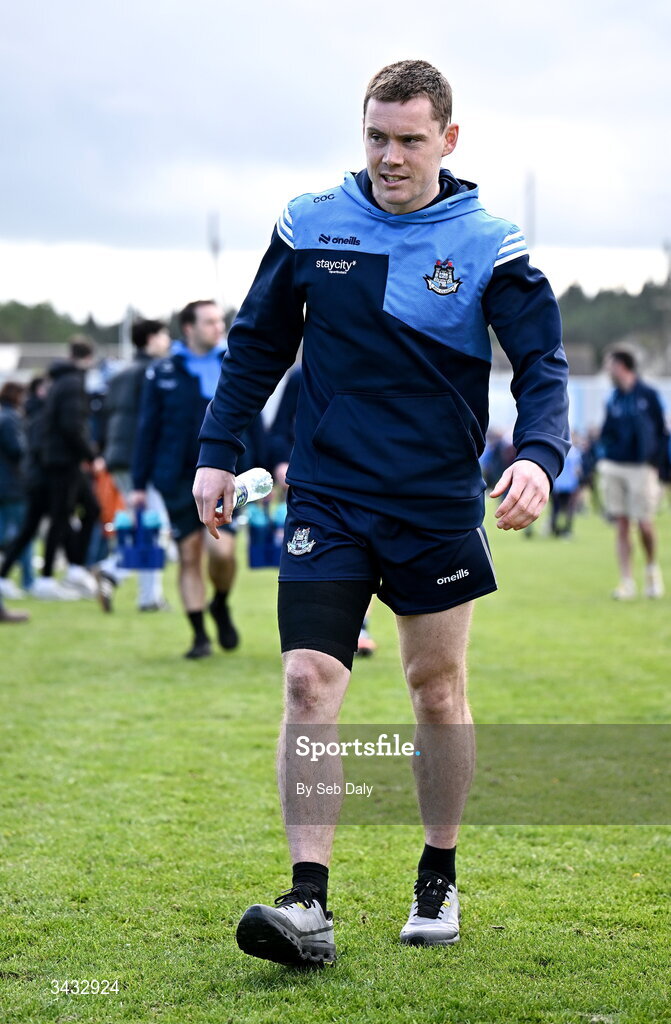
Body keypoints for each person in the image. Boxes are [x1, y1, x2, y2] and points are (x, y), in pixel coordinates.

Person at [193, 59, 570, 965]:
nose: (390, 156)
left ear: (448, 138)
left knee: (433, 688)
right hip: (327, 490)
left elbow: (542, 365)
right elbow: (255, 346)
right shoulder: (311, 220)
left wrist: (540, 456)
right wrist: (217, 452)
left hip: (435, 499)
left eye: (408, 138)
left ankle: (436, 873)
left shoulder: (490, 241)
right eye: (375, 137)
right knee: (307, 682)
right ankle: (306, 902)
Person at [133, 301, 249, 658]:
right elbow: (147, 427)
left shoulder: (233, 364)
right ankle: (199, 636)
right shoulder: (162, 370)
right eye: (210, 321)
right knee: (188, 553)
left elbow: (251, 422)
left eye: (220, 321)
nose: (218, 327)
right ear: (189, 328)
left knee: (222, 550)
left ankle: (221, 603)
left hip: (227, 474)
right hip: (177, 477)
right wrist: (138, 484)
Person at [97, 318, 171, 611]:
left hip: (116, 458)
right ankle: (115, 573)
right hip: (141, 460)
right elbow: (153, 422)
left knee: (144, 525)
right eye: (164, 335)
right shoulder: (155, 372)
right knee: (156, 527)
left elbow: (104, 418)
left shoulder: (118, 374)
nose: (167, 340)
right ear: (151, 338)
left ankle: (147, 595)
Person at [598, 349, 667, 599]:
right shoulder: (613, 398)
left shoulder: (648, 396)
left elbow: (661, 432)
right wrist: (603, 455)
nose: (608, 371)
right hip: (615, 465)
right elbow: (606, 431)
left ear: (622, 366)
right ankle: (626, 581)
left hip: (642, 467)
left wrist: (657, 464)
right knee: (622, 524)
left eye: (610, 366)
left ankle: (651, 570)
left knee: (645, 523)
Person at [0, 381, 33, 597]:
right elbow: (18, 450)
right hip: (13, 484)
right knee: (24, 533)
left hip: (4, 484)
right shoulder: (11, 418)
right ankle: (28, 579)